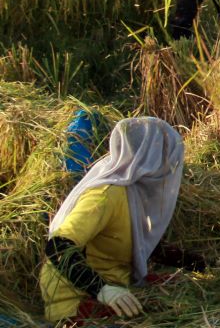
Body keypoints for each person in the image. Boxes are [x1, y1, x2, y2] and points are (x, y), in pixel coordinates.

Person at [40, 118, 183, 322]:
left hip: (117, 291)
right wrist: (102, 290)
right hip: (76, 302)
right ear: (148, 156)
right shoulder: (105, 195)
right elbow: (58, 246)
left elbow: (142, 246)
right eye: (165, 156)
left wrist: (204, 265)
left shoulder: (132, 193)